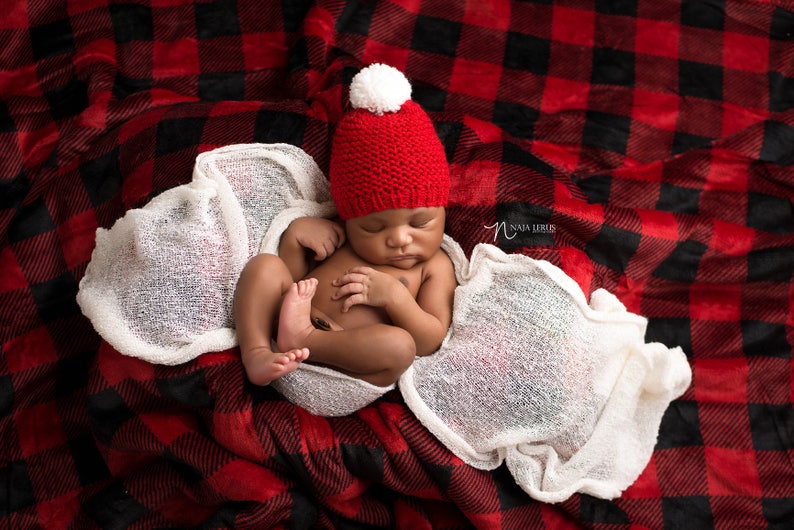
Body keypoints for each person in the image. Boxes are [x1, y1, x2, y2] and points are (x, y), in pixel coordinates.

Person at [233, 64, 457, 387]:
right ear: (350, 218)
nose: (398, 238)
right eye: (374, 228)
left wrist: (395, 297)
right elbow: (296, 281)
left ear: (442, 209)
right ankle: (256, 352)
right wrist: (296, 239)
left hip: (345, 349)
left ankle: (306, 338)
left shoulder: (435, 266)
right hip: (285, 331)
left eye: (420, 222)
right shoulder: (341, 234)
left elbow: (430, 339)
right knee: (265, 267)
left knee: (401, 347)